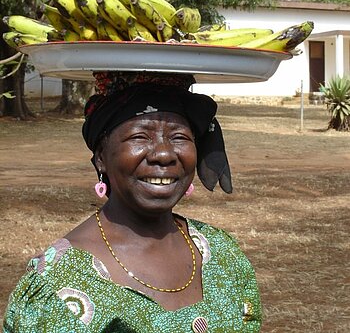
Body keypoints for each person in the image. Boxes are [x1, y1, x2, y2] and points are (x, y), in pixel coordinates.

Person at [3, 71, 262, 332]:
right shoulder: (60, 285)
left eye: (179, 137)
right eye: (140, 136)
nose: (163, 154)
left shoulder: (222, 254)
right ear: (101, 156)